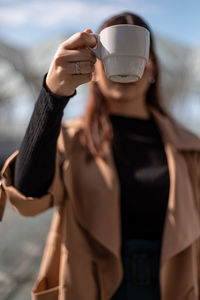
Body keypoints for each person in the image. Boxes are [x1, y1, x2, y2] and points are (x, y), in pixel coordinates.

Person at [1, 11, 200, 300]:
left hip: (171, 287)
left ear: (152, 67)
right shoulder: (71, 139)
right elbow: (27, 196)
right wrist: (52, 96)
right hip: (90, 287)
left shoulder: (190, 148)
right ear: (97, 63)